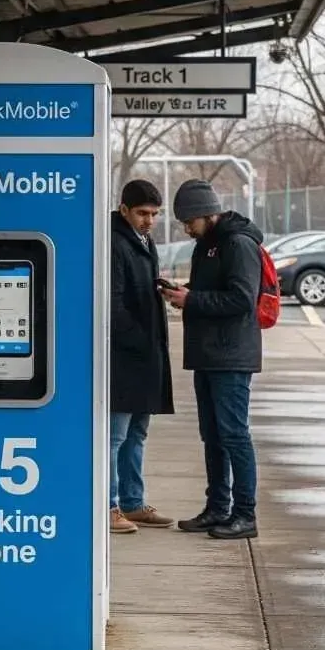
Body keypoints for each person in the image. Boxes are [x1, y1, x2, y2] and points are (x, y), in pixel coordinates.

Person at [160, 179, 262, 540]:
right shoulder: (208, 246)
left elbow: (241, 299)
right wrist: (184, 293)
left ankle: (245, 514)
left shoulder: (237, 244)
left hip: (231, 355)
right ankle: (217, 507)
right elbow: (212, 291)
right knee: (213, 435)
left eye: (188, 221)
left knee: (234, 435)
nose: (186, 228)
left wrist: (192, 300)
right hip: (208, 353)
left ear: (205, 214)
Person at [109, 179, 176, 533]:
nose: (149, 220)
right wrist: (138, 339)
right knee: (115, 436)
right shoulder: (115, 244)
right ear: (124, 210)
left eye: (154, 214)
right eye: (142, 214)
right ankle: (109, 506)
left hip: (144, 356)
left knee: (136, 433)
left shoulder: (143, 242)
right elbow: (113, 304)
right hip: (124, 357)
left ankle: (133, 503)